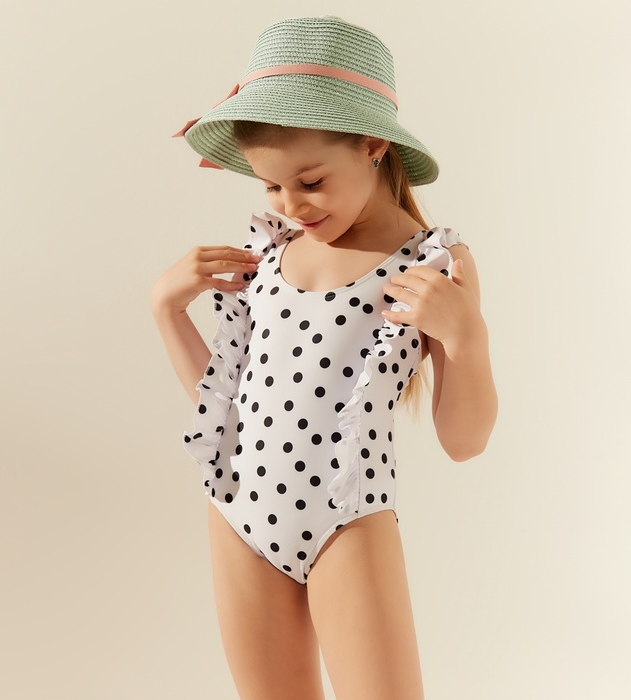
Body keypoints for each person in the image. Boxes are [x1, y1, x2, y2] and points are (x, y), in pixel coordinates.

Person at [151, 15, 497, 700]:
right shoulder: (273, 252)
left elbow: (465, 442)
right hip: (238, 511)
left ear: (372, 145)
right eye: (270, 186)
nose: (291, 205)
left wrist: (467, 338)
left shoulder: (432, 262)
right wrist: (167, 311)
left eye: (309, 180)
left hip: (346, 521)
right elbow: (232, 407)